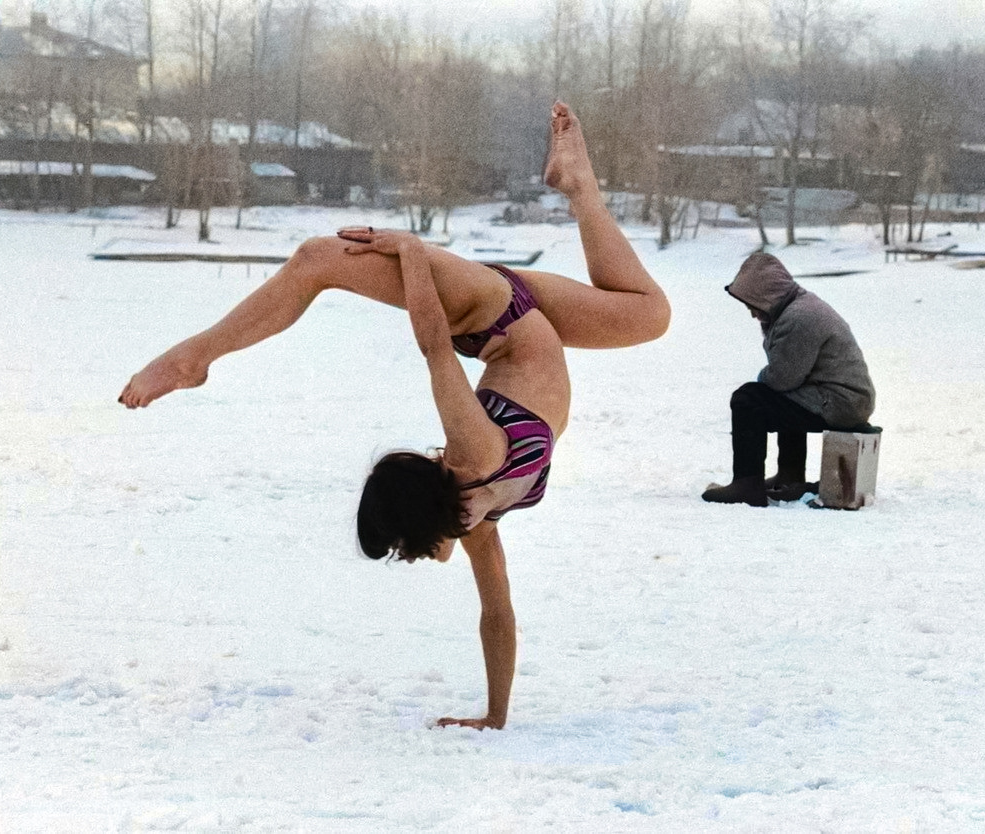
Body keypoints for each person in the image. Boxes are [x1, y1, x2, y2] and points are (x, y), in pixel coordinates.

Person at [118, 102, 670, 730]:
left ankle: (198, 355)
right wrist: (495, 714)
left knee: (319, 259)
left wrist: (415, 253)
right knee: (648, 315)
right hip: (511, 311)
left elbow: (438, 349)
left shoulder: (473, 489)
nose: (427, 452)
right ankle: (578, 186)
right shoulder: (476, 483)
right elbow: (497, 612)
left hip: (491, 314)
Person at [701, 252, 875, 507]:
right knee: (785, 398)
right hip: (844, 398)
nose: (752, 313)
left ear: (767, 297)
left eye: (753, 305)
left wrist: (761, 380)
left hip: (840, 402)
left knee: (748, 398)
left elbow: (781, 379)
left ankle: (747, 484)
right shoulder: (799, 307)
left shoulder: (799, 318)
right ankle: (790, 476)